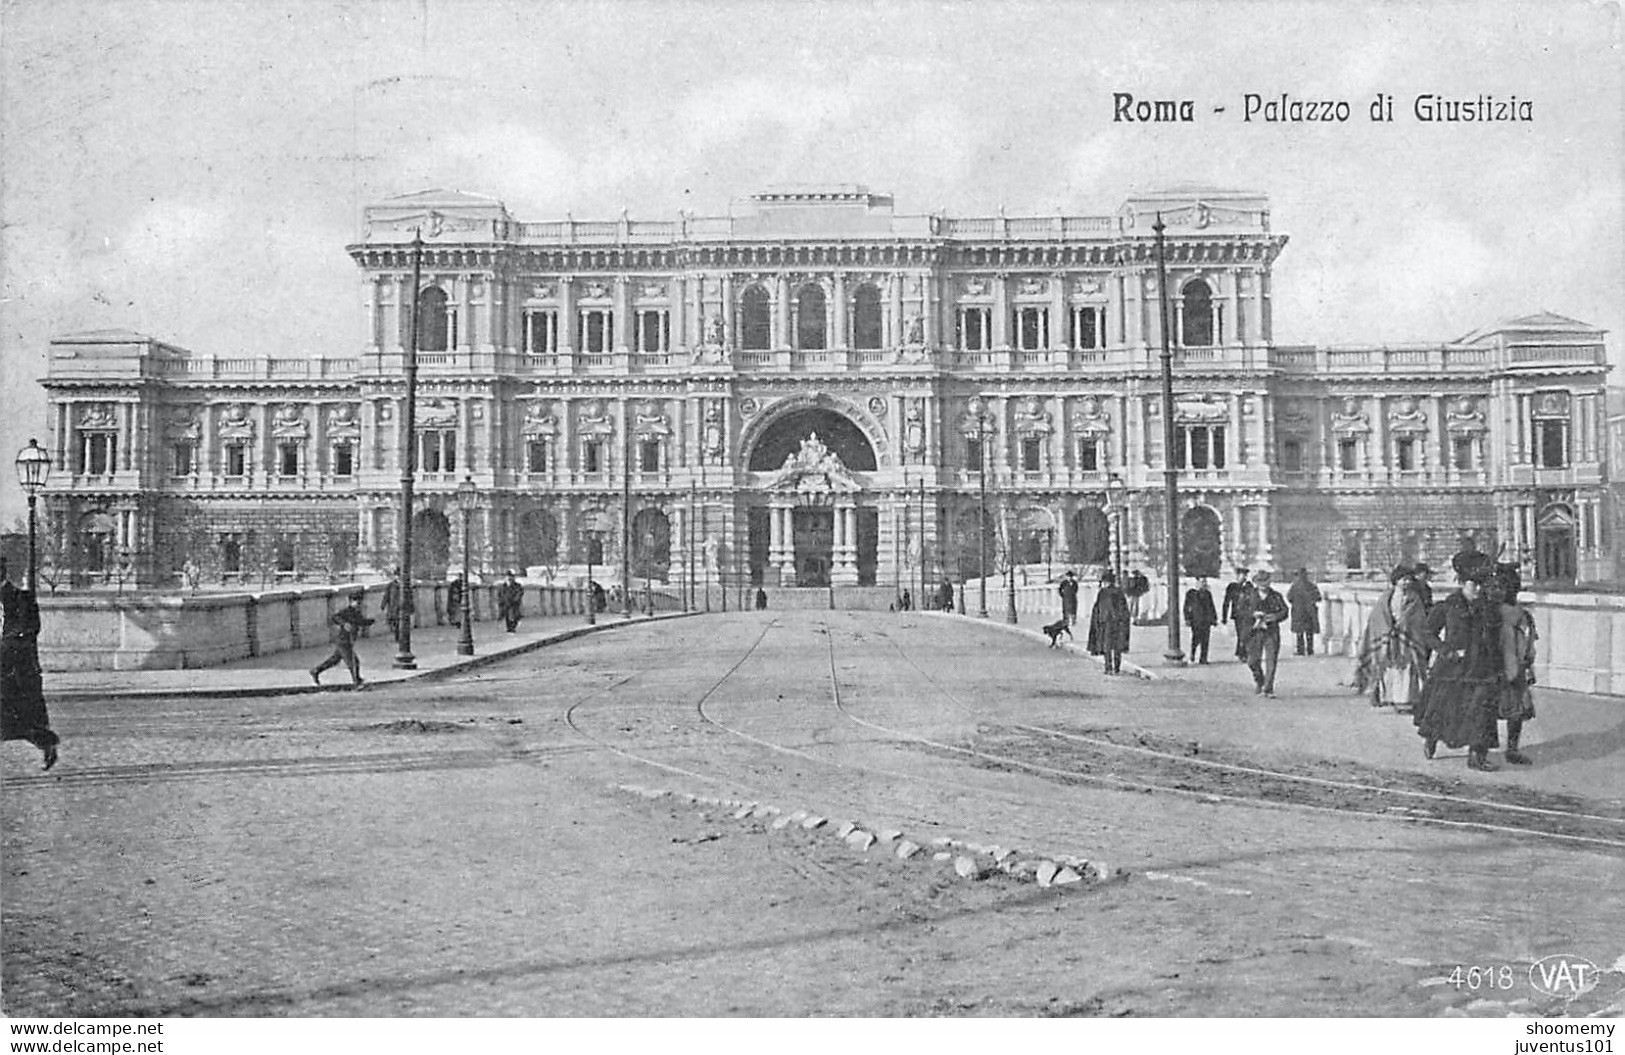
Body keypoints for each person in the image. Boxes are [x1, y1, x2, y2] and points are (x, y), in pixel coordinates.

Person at [1414, 551, 1501, 771]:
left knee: (1481, 711)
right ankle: (1431, 740)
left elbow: (1495, 638)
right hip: (1451, 668)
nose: (1479, 590)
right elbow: (1427, 633)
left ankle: (1476, 756)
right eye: (1474, 585)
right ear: (1462, 584)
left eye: (1482, 585)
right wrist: (1446, 651)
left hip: (1481, 668)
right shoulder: (1447, 607)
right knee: (1444, 709)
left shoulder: (1489, 609)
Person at [1, 559, 59, 770]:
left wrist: (6, 646)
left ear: (2, 572)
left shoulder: (21, 598)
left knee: (23, 720)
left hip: (14, 670)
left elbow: (30, 629)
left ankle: (48, 744)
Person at [1352, 563, 1429, 711]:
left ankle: (1407, 699)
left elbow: (1418, 619)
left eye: (1408, 580)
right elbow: (1377, 617)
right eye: (1403, 579)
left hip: (1407, 639)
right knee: (1387, 667)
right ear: (1396, 580)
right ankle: (1388, 697)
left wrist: (1404, 626)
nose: (1406, 583)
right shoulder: (1386, 597)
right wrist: (1387, 628)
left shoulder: (1414, 599)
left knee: (1407, 668)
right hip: (1390, 638)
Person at [1494, 562, 1536, 766]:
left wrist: (1528, 665)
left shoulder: (1523, 614)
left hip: (1515, 667)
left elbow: (1528, 643)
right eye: (1506, 588)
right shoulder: (1492, 613)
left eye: (1514, 588)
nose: (1511, 592)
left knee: (1517, 709)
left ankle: (1512, 749)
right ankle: (1480, 749)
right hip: (1495, 667)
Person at [1241, 569, 1288, 697]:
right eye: (1260, 581)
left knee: (1271, 660)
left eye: (1265, 581)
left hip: (1271, 631)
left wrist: (1274, 617)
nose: (1263, 584)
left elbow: (1284, 611)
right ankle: (1260, 680)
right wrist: (1252, 615)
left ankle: (1268, 688)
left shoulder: (1276, 596)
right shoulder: (1248, 595)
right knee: (1252, 660)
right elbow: (1240, 611)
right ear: (1255, 582)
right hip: (1254, 631)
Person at [311, 592, 373, 687]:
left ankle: (316, 671)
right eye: (357, 602)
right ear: (351, 602)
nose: (359, 604)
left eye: (360, 602)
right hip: (343, 641)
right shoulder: (346, 611)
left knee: (334, 660)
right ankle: (357, 682)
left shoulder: (357, 613)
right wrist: (344, 623)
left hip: (348, 641)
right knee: (353, 661)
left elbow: (361, 622)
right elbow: (334, 617)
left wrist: (371, 621)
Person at [1086, 570, 1131, 675]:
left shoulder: (1102, 593)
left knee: (1107, 646)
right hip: (1117, 623)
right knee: (1117, 647)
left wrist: (1098, 621)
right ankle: (1117, 668)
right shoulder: (1119, 592)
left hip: (1106, 622)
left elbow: (1097, 608)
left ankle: (1108, 668)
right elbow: (1124, 609)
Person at [1287, 568, 1322, 655]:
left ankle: (1300, 650)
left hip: (1298, 611)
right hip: (1310, 612)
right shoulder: (1312, 586)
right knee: (1309, 631)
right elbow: (1319, 598)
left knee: (1299, 632)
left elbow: (1289, 598)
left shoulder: (1294, 586)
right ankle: (1310, 649)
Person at [1183, 577, 1218, 664]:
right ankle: (1192, 655)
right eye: (1202, 582)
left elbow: (1211, 606)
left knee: (1205, 640)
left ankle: (1203, 658)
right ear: (1197, 583)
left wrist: (1214, 618)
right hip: (1196, 620)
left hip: (1206, 620)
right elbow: (1186, 607)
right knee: (1195, 639)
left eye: (1205, 582)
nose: (1204, 584)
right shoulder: (1191, 593)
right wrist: (1187, 618)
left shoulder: (1208, 594)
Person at [1221, 567, 1251, 660]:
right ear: (1237, 576)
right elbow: (1226, 602)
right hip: (1237, 614)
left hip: (1248, 614)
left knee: (1245, 633)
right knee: (1241, 634)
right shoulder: (1232, 587)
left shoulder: (1249, 586)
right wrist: (1224, 617)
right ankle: (1242, 653)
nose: (1244, 577)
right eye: (1242, 575)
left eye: (1245, 575)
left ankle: (1242, 652)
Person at [381, 567, 402, 643]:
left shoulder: (405, 585)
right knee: (396, 623)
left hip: (401, 607)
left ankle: (400, 637)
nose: (398, 577)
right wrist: (383, 605)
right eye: (397, 575)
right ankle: (397, 637)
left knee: (401, 623)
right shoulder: (390, 585)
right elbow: (386, 596)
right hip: (393, 607)